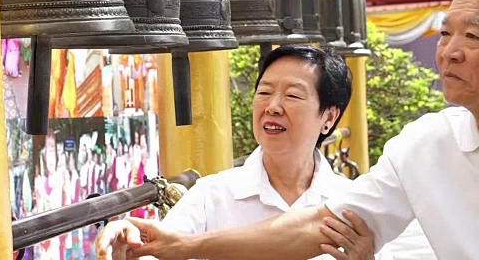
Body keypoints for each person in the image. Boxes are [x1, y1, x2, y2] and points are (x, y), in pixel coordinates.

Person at [95, 0, 479, 259]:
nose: (450, 52)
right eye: (445, 33)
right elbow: (315, 228)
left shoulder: (350, 187)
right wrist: (168, 244)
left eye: (473, 36)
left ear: (330, 117)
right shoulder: (424, 145)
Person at [97, 45, 393, 259]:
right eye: (264, 92)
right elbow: (158, 248)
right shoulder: (211, 195)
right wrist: (129, 245)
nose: (273, 106)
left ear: (329, 118)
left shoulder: (351, 205)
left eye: (292, 95)